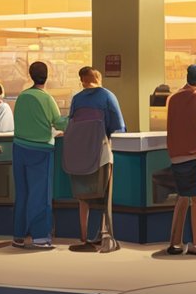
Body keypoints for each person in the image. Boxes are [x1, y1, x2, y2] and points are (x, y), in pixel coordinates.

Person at [66, 66, 125, 250]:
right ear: (99, 79)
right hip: (101, 154)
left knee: (83, 198)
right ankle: (105, 236)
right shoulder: (108, 96)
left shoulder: (77, 99)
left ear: (82, 80)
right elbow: (118, 127)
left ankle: (84, 237)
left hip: (78, 156)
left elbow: (71, 123)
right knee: (104, 196)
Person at [11, 60, 69, 249]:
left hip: (19, 148)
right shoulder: (47, 98)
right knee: (40, 194)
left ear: (30, 75)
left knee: (22, 193)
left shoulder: (22, 97)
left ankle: (18, 235)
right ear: (47, 76)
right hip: (40, 150)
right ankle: (40, 237)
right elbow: (59, 123)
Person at [166, 64, 196, 256]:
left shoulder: (173, 98)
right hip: (194, 153)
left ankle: (175, 243)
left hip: (176, 154)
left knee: (182, 197)